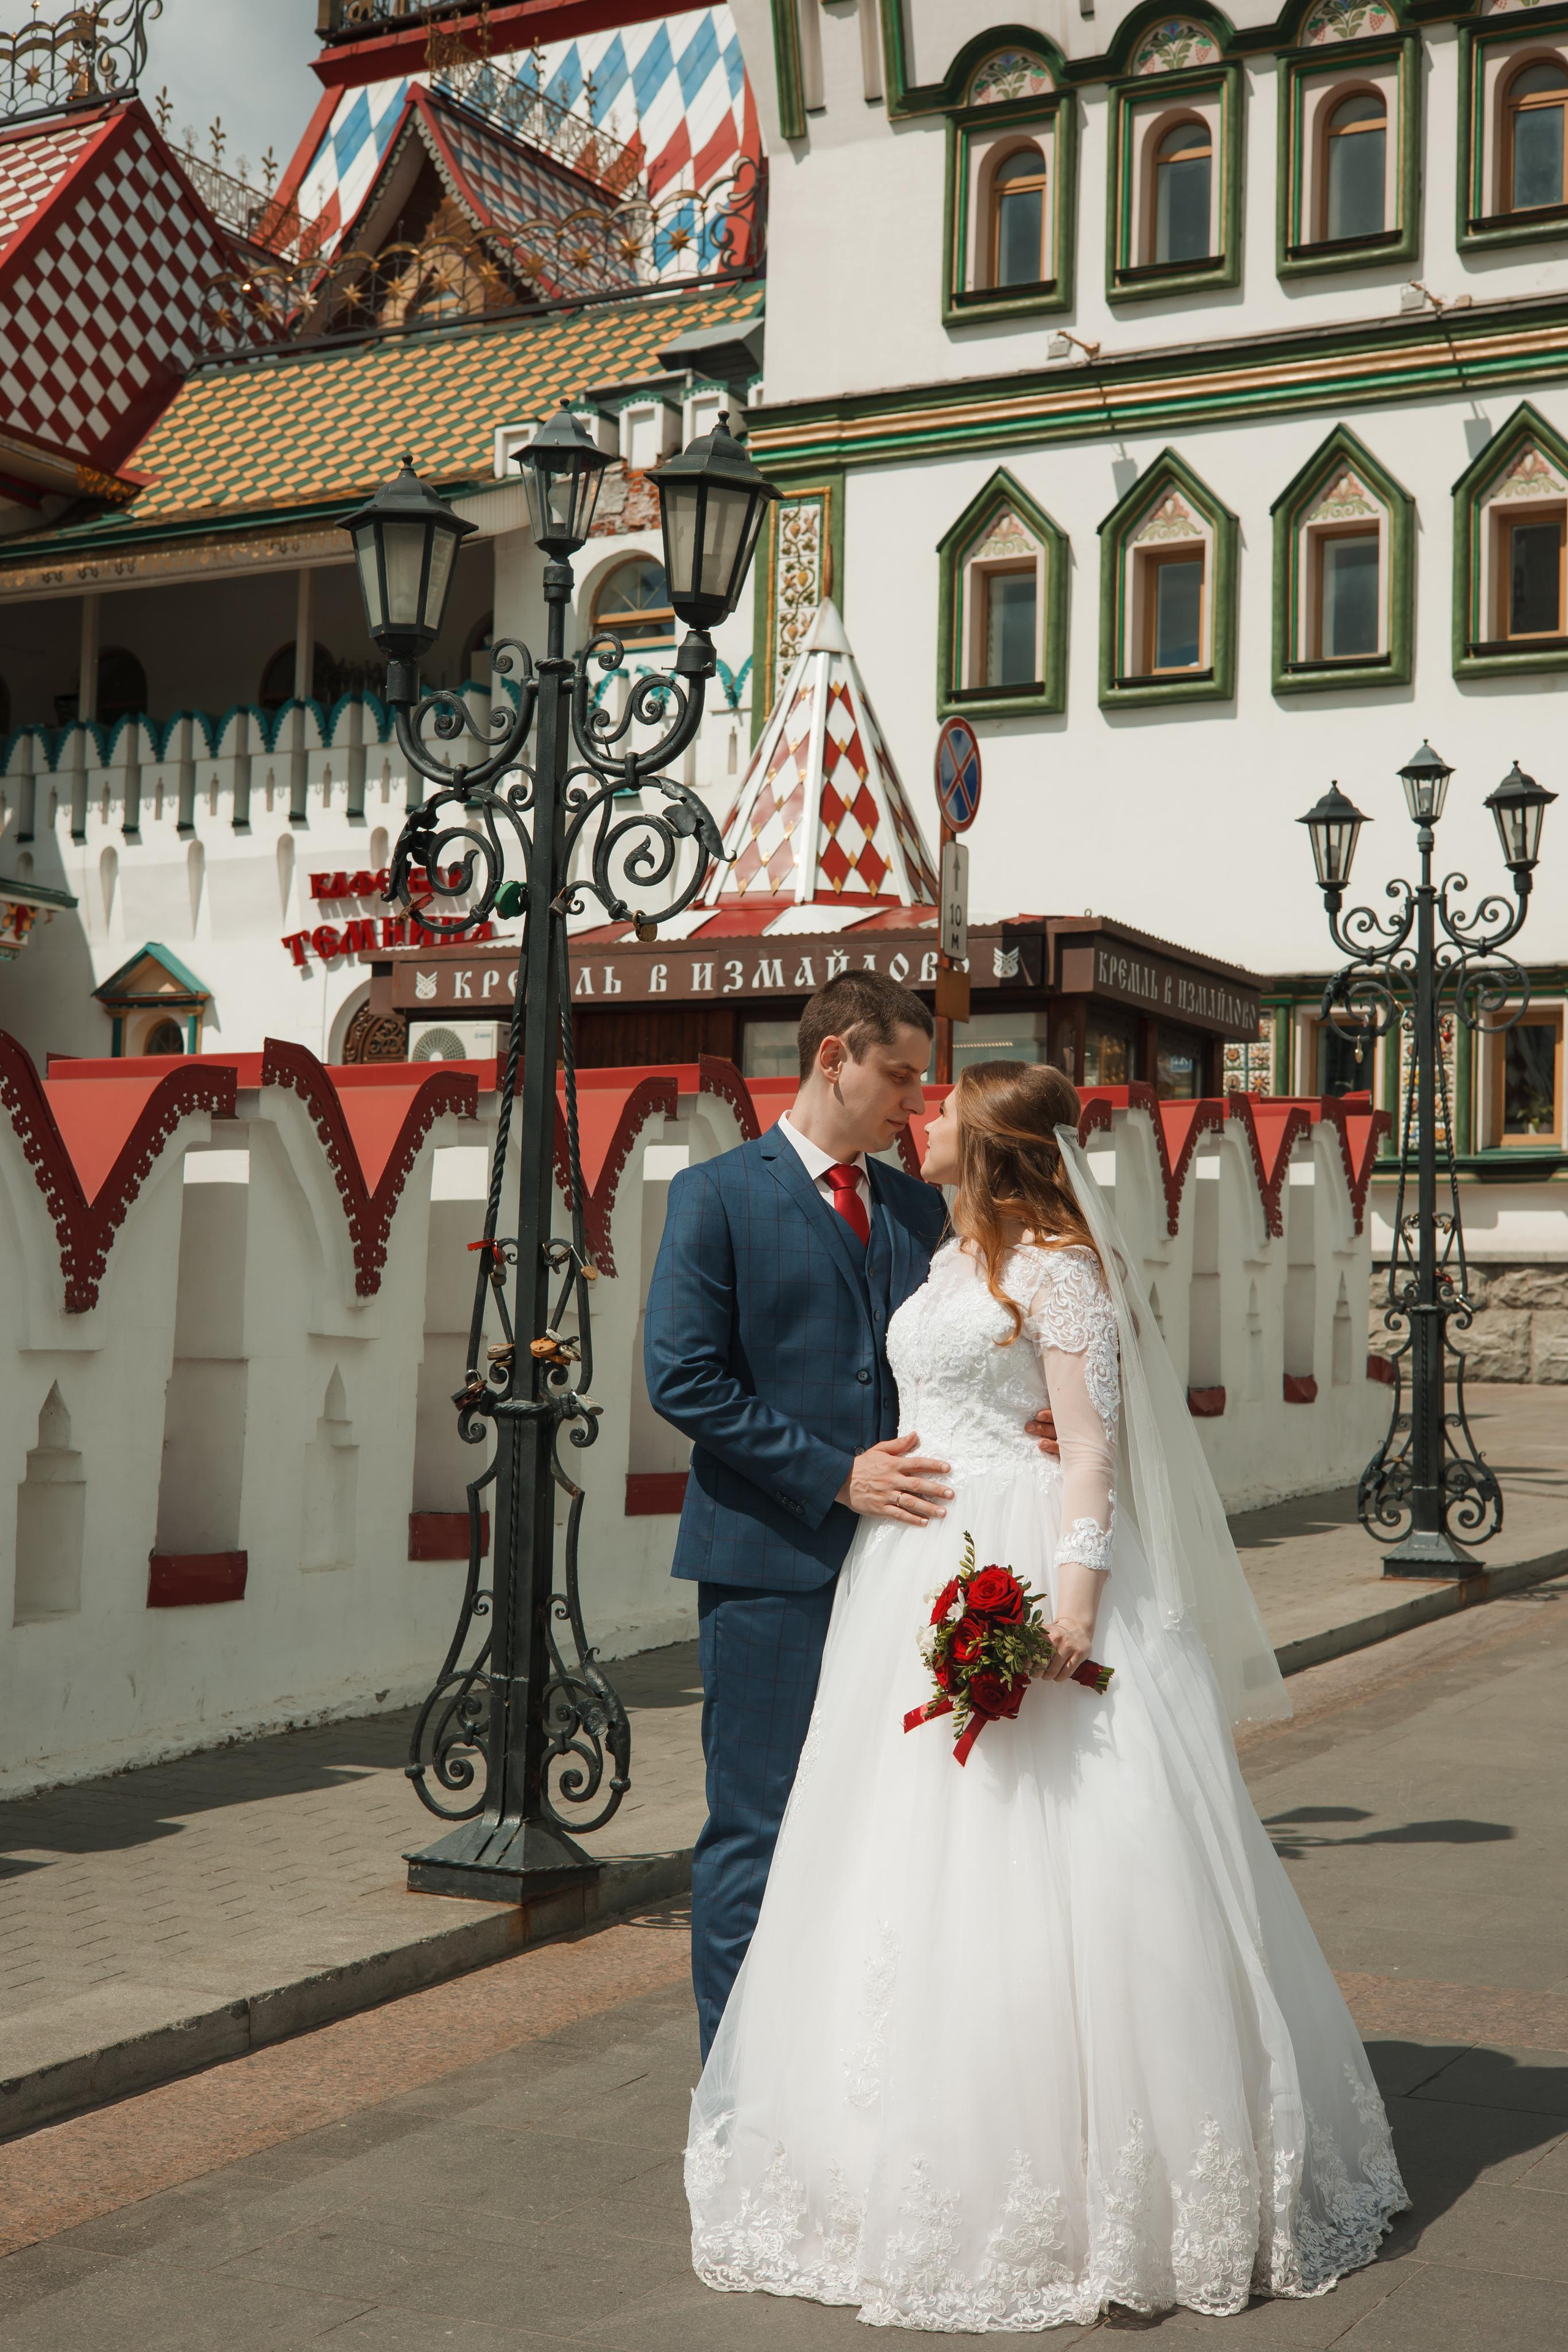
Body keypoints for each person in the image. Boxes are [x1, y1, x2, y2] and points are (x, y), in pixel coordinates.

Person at [684, 1061, 1409, 2331]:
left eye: (942, 1105)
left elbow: (1087, 1448)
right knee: (890, 1853)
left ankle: (1087, 2159)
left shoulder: (1061, 1270)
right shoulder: (944, 1252)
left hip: (1017, 1556)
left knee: (1051, 1846)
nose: (920, 1113)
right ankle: (879, 2144)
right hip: (906, 1564)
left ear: (990, 1141)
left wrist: (1069, 1605)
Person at [644, 974, 1057, 2059]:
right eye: (901, 1076)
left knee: (890, 1832)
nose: (917, 1103)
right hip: (769, 1565)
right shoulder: (715, 1197)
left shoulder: (923, 1209)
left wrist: (1045, 1412)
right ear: (834, 1059)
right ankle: (735, 2087)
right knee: (759, 1826)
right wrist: (834, 1476)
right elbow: (682, 1378)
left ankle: (845, 2077)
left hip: (914, 1572)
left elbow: (1009, 1325)